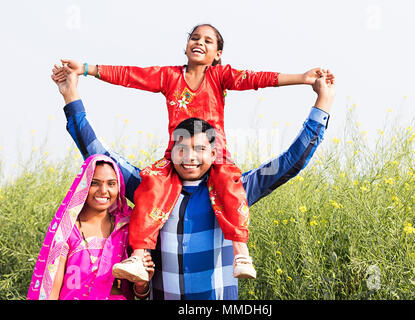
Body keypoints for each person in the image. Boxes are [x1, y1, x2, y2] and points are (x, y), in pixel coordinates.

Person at [52, 24, 335, 282]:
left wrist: (305, 81)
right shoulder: (169, 76)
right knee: (151, 185)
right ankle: (138, 257)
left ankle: (241, 252)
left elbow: (257, 79)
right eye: (194, 37)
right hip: (168, 163)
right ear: (186, 46)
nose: (199, 42)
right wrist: (86, 70)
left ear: (218, 54)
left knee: (230, 185)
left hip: (220, 161)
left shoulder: (220, 76)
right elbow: (131, 76)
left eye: (208, 40)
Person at [27, 153, 153, 299]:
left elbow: (141, 294)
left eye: (111, 183)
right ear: (84, 185)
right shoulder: (67, 231)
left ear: (119, 187)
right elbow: (51, 292)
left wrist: (141, 284)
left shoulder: (126, 229)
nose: (104, 190)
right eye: (95, 183)